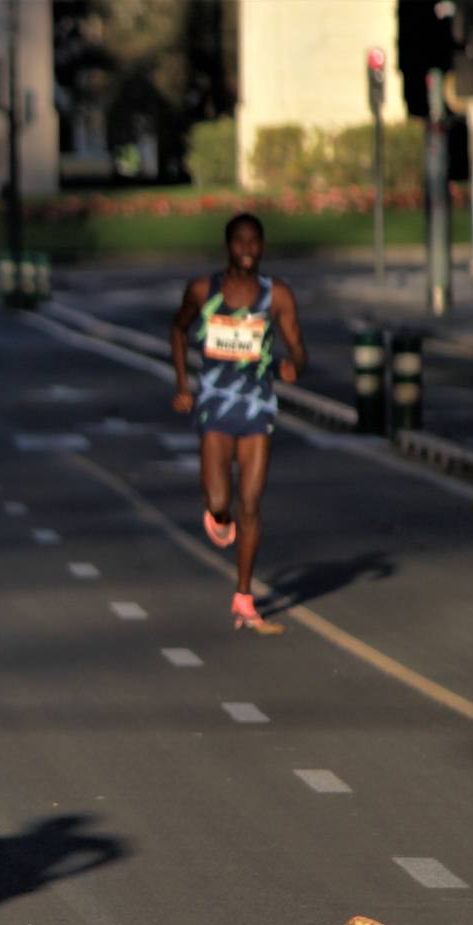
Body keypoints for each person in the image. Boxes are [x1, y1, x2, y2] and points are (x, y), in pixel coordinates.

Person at [170, 212, 306, 633]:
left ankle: (244, 595)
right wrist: (182, 384)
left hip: (257, 406)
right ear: (228, 246)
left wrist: (293, 367)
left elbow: (298, 347)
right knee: (219, 501)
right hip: (214, 404)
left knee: (251, 503)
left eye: (255, 242)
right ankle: (218, 517)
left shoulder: (276, 295)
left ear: (262, 246)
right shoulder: (203, 290)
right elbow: (178, 330)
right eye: (240, 241)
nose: (248, 249)